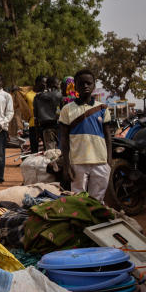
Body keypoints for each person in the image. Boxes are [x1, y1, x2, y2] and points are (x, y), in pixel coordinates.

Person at [59, 69, 112, 201]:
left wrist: (109, 162)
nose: (85, 86)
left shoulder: (103, 108)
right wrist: (66, 166)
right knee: (79, 200)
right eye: (81, 83)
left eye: (89, 83)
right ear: (75, 86)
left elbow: (108, 137)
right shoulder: (67, 109)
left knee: (98, 201)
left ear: (94, 85)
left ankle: (96, 223)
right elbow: (64, 140)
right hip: (77, 162)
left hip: (100, 162)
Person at [34, 76, 63, 150]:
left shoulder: (38, 97)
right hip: (59, 127)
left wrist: (37, 132)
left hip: (46, 128)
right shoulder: (60, 95)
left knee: (50, 153)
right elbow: (62, 111)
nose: (59, 85)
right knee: (60, 151)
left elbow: (36, 116)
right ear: (54, 84)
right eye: (58, 83)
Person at [25, 75, 47, 154]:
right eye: (43, 83)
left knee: (47, 148)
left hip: (45, 125)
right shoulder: (28, 95)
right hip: (33, 125)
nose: (45, 85)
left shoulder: (47, 94)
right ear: (37, 83)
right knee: (34, 149)